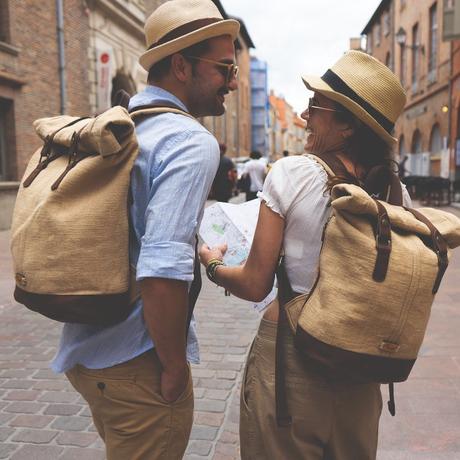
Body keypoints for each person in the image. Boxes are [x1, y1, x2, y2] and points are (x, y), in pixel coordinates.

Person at [50, 2, 240, 459]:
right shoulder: (189, 141)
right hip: (138, 364)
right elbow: (160, 269)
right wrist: (174, 366)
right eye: (224, 68)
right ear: (181, 66)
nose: (233, 82)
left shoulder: (122, 126)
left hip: (87, 351)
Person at [199, 50, 411, 460]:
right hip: (361, 366)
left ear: (348, 125)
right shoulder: (395, 193)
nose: (303, 115)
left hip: (292, 361)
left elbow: (256, 282)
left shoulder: (294, 173)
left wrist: (214, 263)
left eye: (316, 106)